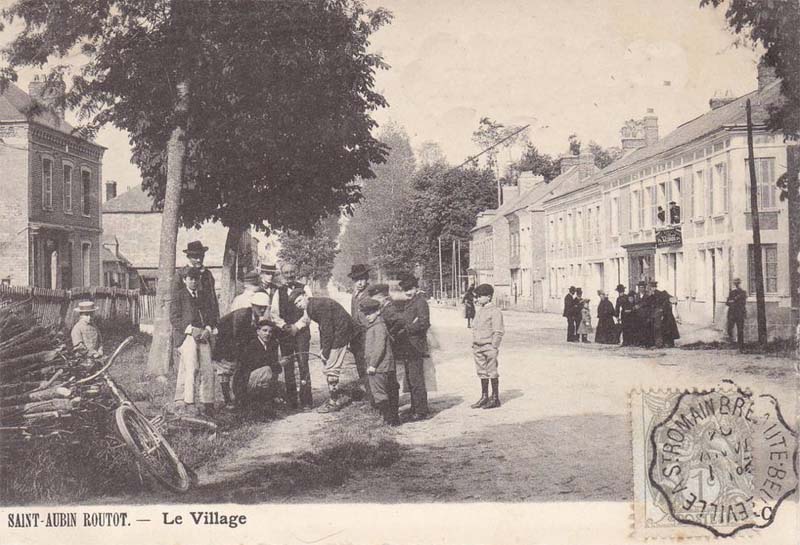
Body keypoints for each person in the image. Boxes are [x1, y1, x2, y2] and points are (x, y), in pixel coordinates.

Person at [289, 290, 355, 413]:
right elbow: (320, 327)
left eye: (299, 300)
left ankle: (334, 401)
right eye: (296, 304)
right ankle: (334, 397)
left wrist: (325, 351)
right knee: (329, 366)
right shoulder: (311, 306)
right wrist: (323, 349)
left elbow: (327, 330)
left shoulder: (317, 306)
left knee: (331, 368)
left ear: (305, 296)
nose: (298, 304)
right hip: (338, 332)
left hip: (341, 333)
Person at [171, 267, 218, 418]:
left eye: (196, 279)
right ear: (184, 280)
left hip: (203, 335)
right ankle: (189, 402)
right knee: (191, 368)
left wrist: (208, 329)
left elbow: (211, 315)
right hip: (187, 336)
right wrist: (190, 330)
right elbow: (174, 318)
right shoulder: (179, 296)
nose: (193, 282)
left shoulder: (204, 296)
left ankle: (208, 402)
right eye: (190, 279)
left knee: (208, 368)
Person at [214, 291, 273, 410]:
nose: (262, 310)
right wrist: (240, 352)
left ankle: (238, 397)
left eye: (264, 308)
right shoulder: (242, 315)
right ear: (253, 305)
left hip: (235, 342)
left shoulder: (255, 317)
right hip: (225, 341)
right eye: (259, 307)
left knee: (239, 367)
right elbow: (237, 335)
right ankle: (228, 400)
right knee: (226, 370)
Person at [277, 262, 313, 410]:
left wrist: (297, 327)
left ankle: (306, 401)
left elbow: (310, 310)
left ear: (296, 272)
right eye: (286, 273)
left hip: (302, 333)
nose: (290, 275)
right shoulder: (279, 291)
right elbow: (274, 313)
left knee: (303, 364)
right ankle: (292, 401)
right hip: (285, 334)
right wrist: (284, 326)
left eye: (292, 272)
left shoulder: (305, 288)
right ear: (282, 274)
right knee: (288, 366)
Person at [396, 273, 430, 420]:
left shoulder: (421, 302)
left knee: (416, 380)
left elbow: (424, 323)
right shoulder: (410, 302)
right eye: (405, 290)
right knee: (410, 379)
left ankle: (421, 410)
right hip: (408, 346)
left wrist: (408, 329)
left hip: (416, 346)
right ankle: (414, 407)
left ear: (416, 288)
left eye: (410, 289)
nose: (407, 292)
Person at [361, 298, 400, 426]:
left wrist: (372, 365)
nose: (367, 317)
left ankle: (389, 420)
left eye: (370, 313)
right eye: (366, 314)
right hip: (387, 366)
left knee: (379, 393)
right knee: (390, 391)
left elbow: (379, 347)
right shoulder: (379, 325)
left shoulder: (377, 327)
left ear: (378, 311)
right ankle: (393, 419)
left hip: (379, 367)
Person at [236, 317, 283, 412]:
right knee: (267, 370)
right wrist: (278, 364)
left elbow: (276, 369)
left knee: (275, 378)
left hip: (257, 378)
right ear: (258, 331)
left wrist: (277, 365)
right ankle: (256, 403)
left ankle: (266, 402)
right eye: (264, 330)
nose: (267, 334)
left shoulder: (270, 345)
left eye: (270, 332)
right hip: (245, 382)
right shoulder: (252, 345)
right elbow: (259, 364)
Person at [470, 283, 504, 409]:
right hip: (478, 347)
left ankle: (495, 398)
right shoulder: (480, 311)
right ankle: (484, 396)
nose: (477, 299)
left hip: (489, 347)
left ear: (489, 297)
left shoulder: (495, 311)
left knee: (492, 372)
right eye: (476, 296)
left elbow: (498, 331)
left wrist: (493, 346)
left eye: (479, 296)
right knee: (482, 372)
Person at [348, 264, 372, 398]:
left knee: (368, 362)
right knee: (359, 361)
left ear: (367, 279)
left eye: (363, 279)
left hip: (367, 331)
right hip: (357, 333)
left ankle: (372, 392)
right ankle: (365, 390)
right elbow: (353, 314)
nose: (360, 282)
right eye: (357, 280)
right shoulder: (354, 294)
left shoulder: (370, 293)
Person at [726, 278, 747, 350]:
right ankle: (732, 342)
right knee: (729, 328)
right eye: (735, 283)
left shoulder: (743, 292)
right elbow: (727, 303)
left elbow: (743, 303)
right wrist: (734, 300)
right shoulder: (732, 292)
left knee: (740, 329)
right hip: (732, 313)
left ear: (740, 283)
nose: (736, 284)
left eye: (738, 283)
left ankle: (741, 345)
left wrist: (733, 301)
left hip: (740, 313)